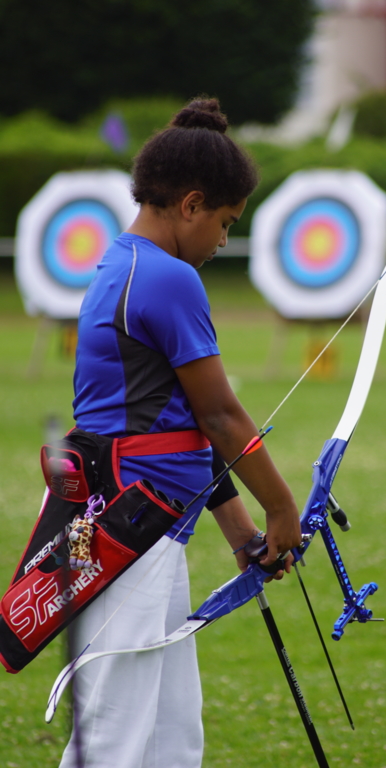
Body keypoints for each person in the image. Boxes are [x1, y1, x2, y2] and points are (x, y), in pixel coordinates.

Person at [59, 97, 302, 768]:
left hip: (148, 526)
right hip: (128, 528)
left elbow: (183, 425)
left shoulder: (125, 263)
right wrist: (281, 508)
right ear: (192, 205)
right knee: (112, 737)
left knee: (171, 735)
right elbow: (220, 416)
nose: (222, 241)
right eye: (225, 223)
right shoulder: (166, 278)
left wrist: (241, 534)